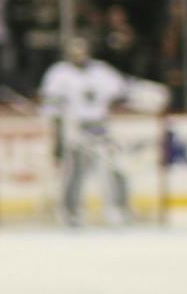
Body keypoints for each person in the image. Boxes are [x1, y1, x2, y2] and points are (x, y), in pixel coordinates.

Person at [37, 34, 134, 225]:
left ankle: (118, 207)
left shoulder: (102, 71)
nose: (78, 54)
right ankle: (71, 210)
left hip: (101, 127)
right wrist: (57, 137)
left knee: (114, 167)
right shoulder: (59, 74)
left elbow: (121, 92)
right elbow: (51, 106)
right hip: (75, 128)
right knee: (75, 170)